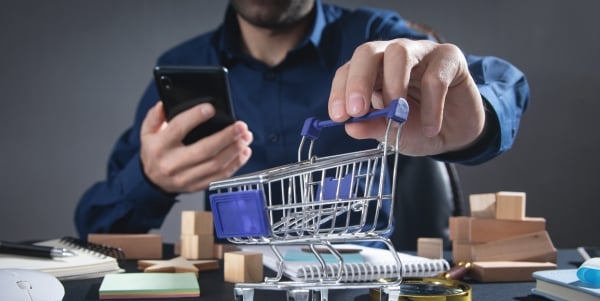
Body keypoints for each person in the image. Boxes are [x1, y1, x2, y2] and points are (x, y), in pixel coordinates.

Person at [75, 0, 529, 249]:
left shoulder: (374, 34)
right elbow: (97, 227)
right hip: (232, 296)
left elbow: (502, 84)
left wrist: (478, 121)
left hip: (358, 293)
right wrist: (150, 180)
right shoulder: (182, 67)